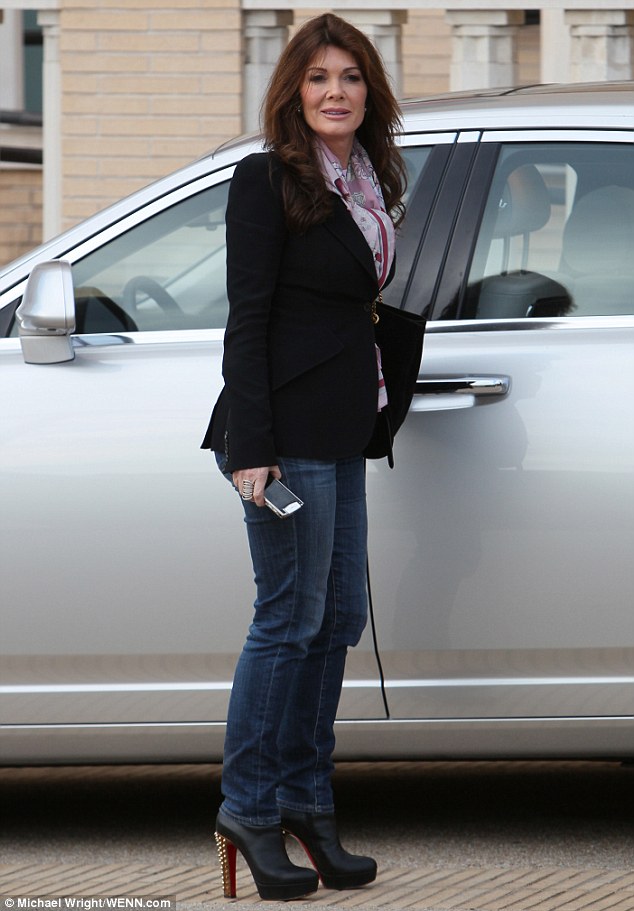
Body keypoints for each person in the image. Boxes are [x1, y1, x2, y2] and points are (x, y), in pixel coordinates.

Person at [201, 12, 413, 902]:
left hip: (342, 428)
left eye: (351, 77)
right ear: (293, 90)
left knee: (335, 625)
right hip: (281, 435)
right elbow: (247, 318)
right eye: (319, 77)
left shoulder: (369, 179)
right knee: (287, 621)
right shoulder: (267, 179)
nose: (336, 92)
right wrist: (252, 448)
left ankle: (306, 802)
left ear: (370, 91)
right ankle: (248, 805)